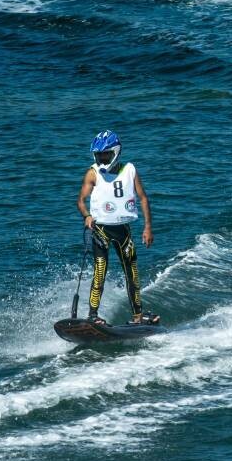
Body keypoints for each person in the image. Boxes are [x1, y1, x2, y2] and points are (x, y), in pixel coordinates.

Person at [76, 130, 158, 325]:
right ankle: (93, 316)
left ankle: (138, 316)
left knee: (132, 273)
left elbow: (143, 198)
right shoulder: (92, 173)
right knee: (100, 272)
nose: (102, 159)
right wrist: (87, 216)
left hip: (123, 230)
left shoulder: (130, 170)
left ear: (115, 152)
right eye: (98, 155)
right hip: (100, 231)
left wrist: (148, 227)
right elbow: (80, 201)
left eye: (105, 154)